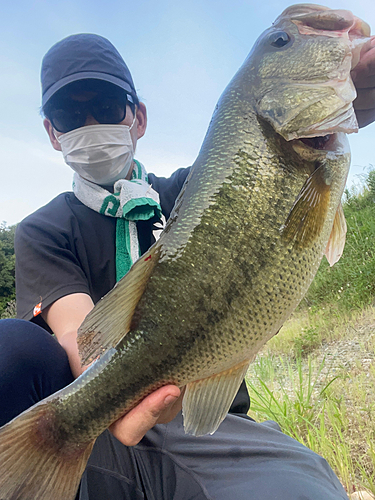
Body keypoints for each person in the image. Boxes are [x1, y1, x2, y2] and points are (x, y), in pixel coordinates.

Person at [0, 31, 374, 500]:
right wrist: (106, 394)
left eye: (109, 106)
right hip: (100, 432)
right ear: (53, 134)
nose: (90, 123)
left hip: (210, 429)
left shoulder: (197, 190)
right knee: (9, 348)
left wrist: (344, 101)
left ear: (138, 118)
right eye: (70, 115)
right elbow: (81, 336)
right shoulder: (42, 230)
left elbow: (267, 156)